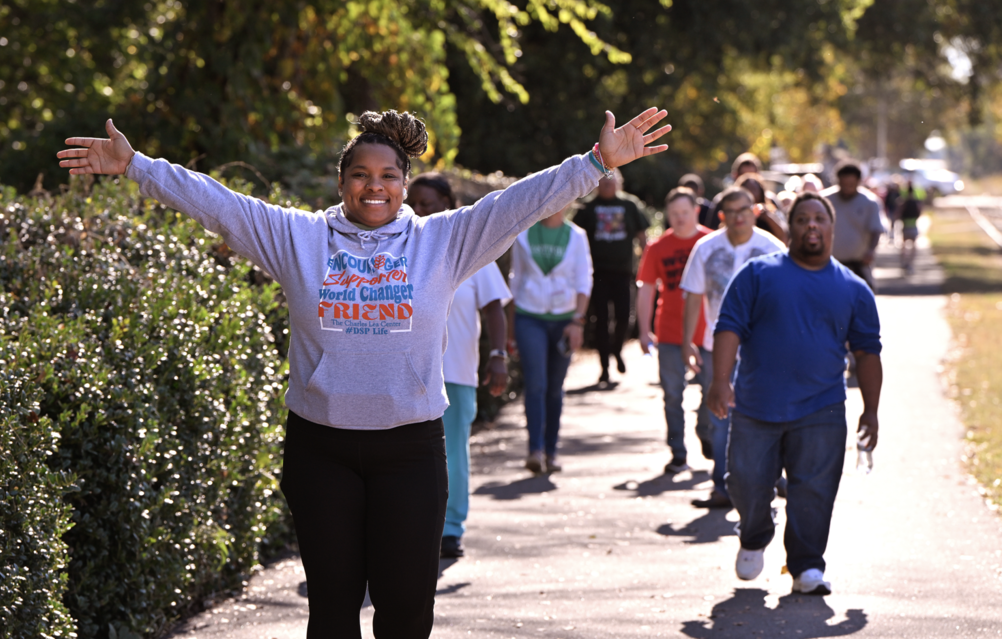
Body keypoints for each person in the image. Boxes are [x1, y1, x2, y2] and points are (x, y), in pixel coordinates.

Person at [58, 107, 671, 638]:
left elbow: (518, 202)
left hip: (410, 451)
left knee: (407, 611)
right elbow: (221, 204)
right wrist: (138, 166)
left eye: (387, 177)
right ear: (343, 182)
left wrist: (594, 162)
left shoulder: (445, 241)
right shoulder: (298, 238)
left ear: (405, 184)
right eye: (360, 175)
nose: (373, 188)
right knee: (331, 608)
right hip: (321, 451)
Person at [707, 190, 882, 595]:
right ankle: (753, 534)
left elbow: (868, 352)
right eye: (802, 219)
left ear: (831, 228)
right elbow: (729, 326)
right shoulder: (758, 274)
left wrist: (871, 410)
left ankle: (806, 566)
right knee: (745, 483)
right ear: (790, 228)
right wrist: (720, 380)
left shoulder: (853, 289)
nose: (811, 226)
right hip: (755, 404)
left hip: (821, 408)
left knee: (814, 490)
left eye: (819, 219)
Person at [406, 172, 512, 559]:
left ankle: (450, 529)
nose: (418, 211)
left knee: (453, 454)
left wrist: (498, 356)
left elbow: (495, 309)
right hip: (407, 376)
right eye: (412, 203)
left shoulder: (471, 249)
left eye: (427, 204)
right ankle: (412, 526)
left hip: (456, 374)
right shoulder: (397, 248)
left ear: (448, 205)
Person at [680, 187, 786, 509]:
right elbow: (694, 297)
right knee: (720, 417)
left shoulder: (773, 250)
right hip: (717, 348)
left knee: (764, 416)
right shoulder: (706, 249)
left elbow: (786, 300)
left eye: (745, 210)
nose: (739, 217)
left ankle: (770, 480)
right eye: (732, 212)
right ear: (722, 215)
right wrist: (688, 342)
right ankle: (722, 487)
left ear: (755, 211)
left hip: (763, 350)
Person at [508, 206, 593, 474]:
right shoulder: (523, 235)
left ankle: (551, 451)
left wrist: (577, 321)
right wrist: (511, 331)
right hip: (529, 316)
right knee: (536, 384)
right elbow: (516, 280)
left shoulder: (577, 236)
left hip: (565, 320)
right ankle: (534, 449)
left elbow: (583, 280)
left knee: (555, 388)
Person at [636, 187, 712, 473]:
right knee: (672, 395)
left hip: (708, 332)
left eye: (685, 212)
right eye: (674, 214)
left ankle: (705, 430)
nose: (680, 219)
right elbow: (646, 290)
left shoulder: (710, 241)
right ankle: (678, 453)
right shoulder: (657, 248)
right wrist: (644, 331)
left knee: (712, 387)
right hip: (669, 331)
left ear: (695, 211)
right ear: (667, 215)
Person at [573, 170, 651, 384]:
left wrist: (649, 264)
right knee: (600, 320)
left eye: (611, 180)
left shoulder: (630, 205)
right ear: (597, 184)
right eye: (604, 181)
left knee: (624, 317)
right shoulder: (587, 208)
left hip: (623, 272)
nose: (607, 184)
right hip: (596, 274)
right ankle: (604, 367)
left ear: (619, 183)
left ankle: (617, 350)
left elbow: (643, 236)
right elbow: (574, 238)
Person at [822, 160, 885, 291]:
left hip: (859, 265)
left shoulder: (870, 202)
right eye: (843, 184)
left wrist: (871, 251)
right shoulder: (825, 200)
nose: (847, 189)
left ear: (859, 181)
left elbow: (876, 229)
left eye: (851, 185)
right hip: (829, 265)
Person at [733, 172, 787, 243]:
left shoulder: (770, 211)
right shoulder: (734, 213)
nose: (750, 193)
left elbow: (783, 235)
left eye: (753, 189)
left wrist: (767, 216)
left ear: (761, 192)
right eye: (746, 189)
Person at [896, 184, 922, 274]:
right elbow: (920, 212)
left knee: (904, 246)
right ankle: (910, 263)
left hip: (905, 227)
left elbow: (898, 213)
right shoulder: (916, 202)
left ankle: (904, 262)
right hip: (913, 226)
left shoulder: (903, 202)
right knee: (913, 246)